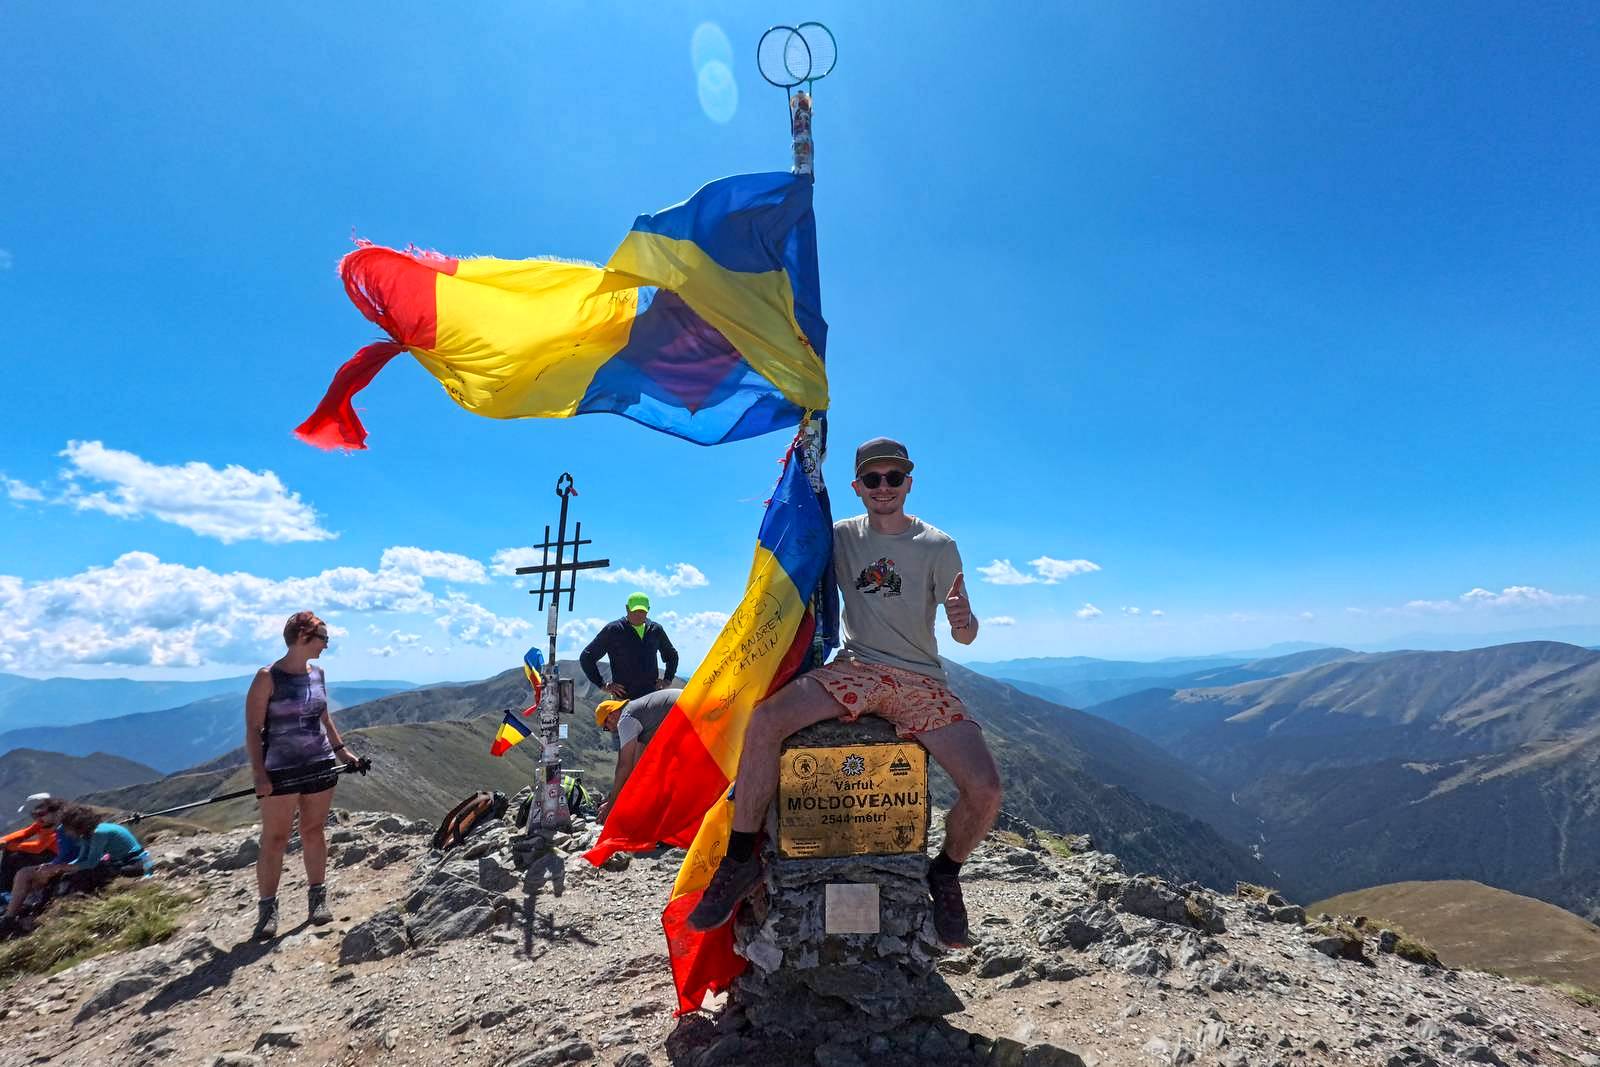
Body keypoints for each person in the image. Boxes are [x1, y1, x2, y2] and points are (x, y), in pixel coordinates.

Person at [686, 437, 1001, 947]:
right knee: (766, 721)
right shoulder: (838, 538)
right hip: (857, 668)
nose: (883, 487)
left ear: (908, 483)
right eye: (873, 479)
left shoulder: (938, 546)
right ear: (857, 487)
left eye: (893, 478)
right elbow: (794, 559)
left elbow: (964, 635)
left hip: (920, 679)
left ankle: (945, 873)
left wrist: (965, 621)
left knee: (986, 789)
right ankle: (740, 859)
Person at [245, 610, 362, 940]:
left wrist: (342, 752)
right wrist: (259, 774)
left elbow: (324, 718)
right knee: (275, 838)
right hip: (280, 769)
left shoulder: (318, 674)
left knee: (313, 830)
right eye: (323, 638)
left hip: (319, 763)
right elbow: (253, 729)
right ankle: (267, 909)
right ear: (302, 637)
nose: (326, 644)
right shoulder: (267, 677)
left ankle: (317, 898)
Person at [0, 804, 143, 938]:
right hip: (116, 861)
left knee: (75, 878)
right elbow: (81, 858)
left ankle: (18, 916)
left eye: (67, 828)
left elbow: (91, 862)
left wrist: (60, 868)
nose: (65, 832)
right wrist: (58, 867)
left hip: (132, 862)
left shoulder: (98, 833)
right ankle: (17, 915)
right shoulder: (86, 835)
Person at [593, 687, 684, 820]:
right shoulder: (640, 716)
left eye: (606, 727)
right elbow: (638, 768)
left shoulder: (626, 719)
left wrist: (611, 807)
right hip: (689, 707)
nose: (610, 730)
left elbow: (624, 766)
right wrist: (615, 798)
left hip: (687, 710)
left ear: (611, 716)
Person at [580, 592, 680, 701]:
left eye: (642, 611)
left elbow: (672, 655)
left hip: (651, 698)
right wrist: (603, 685)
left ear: (648, 609)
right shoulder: (613, 630)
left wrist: (667, 680)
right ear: (627, 608)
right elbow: (587, 657)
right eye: (635, 610)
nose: (638, 614)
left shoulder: (656, 630)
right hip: (623, 700)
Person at [1, 794, 62, 893]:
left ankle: (7, 889)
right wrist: (4, 840)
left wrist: (10, 846)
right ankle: (5, 887)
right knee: (12, 854)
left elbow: (38, 847)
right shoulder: (45, 822)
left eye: (41, 814)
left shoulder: (58, 826)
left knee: (14, 858)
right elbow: (25, 832)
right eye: (34, 815)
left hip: (56, 857)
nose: (37, 819)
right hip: (48, 853)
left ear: (53, 811)